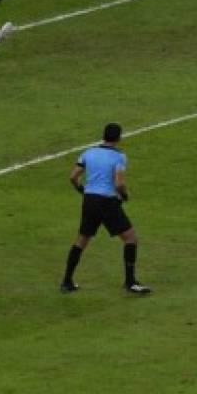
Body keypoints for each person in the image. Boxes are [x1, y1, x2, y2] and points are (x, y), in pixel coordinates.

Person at [61, 123, 152, 295]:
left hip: (89, 200)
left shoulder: (88, 152)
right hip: (107, 202)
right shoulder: (119, 157)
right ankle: (130, 282)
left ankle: (66, 281)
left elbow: (73, 177)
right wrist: (125, 196)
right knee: (131, 238)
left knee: (82, 240)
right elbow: (119, 183)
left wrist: (83, 190)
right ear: (119, 138)